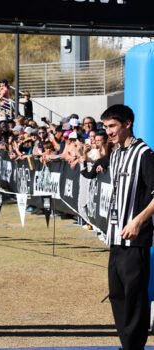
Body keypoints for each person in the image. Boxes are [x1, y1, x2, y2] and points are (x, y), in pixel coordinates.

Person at [101, 104, 154, 350]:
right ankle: (127, 344)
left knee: (134, 296)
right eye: (106, 126)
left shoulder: (144, 153)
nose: (108, 131)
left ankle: (134, 346)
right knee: (117, 295)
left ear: (127, 124)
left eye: (112, 126)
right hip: (115, 237)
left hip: (135, 238)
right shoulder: (115, 153)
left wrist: (138, 221)